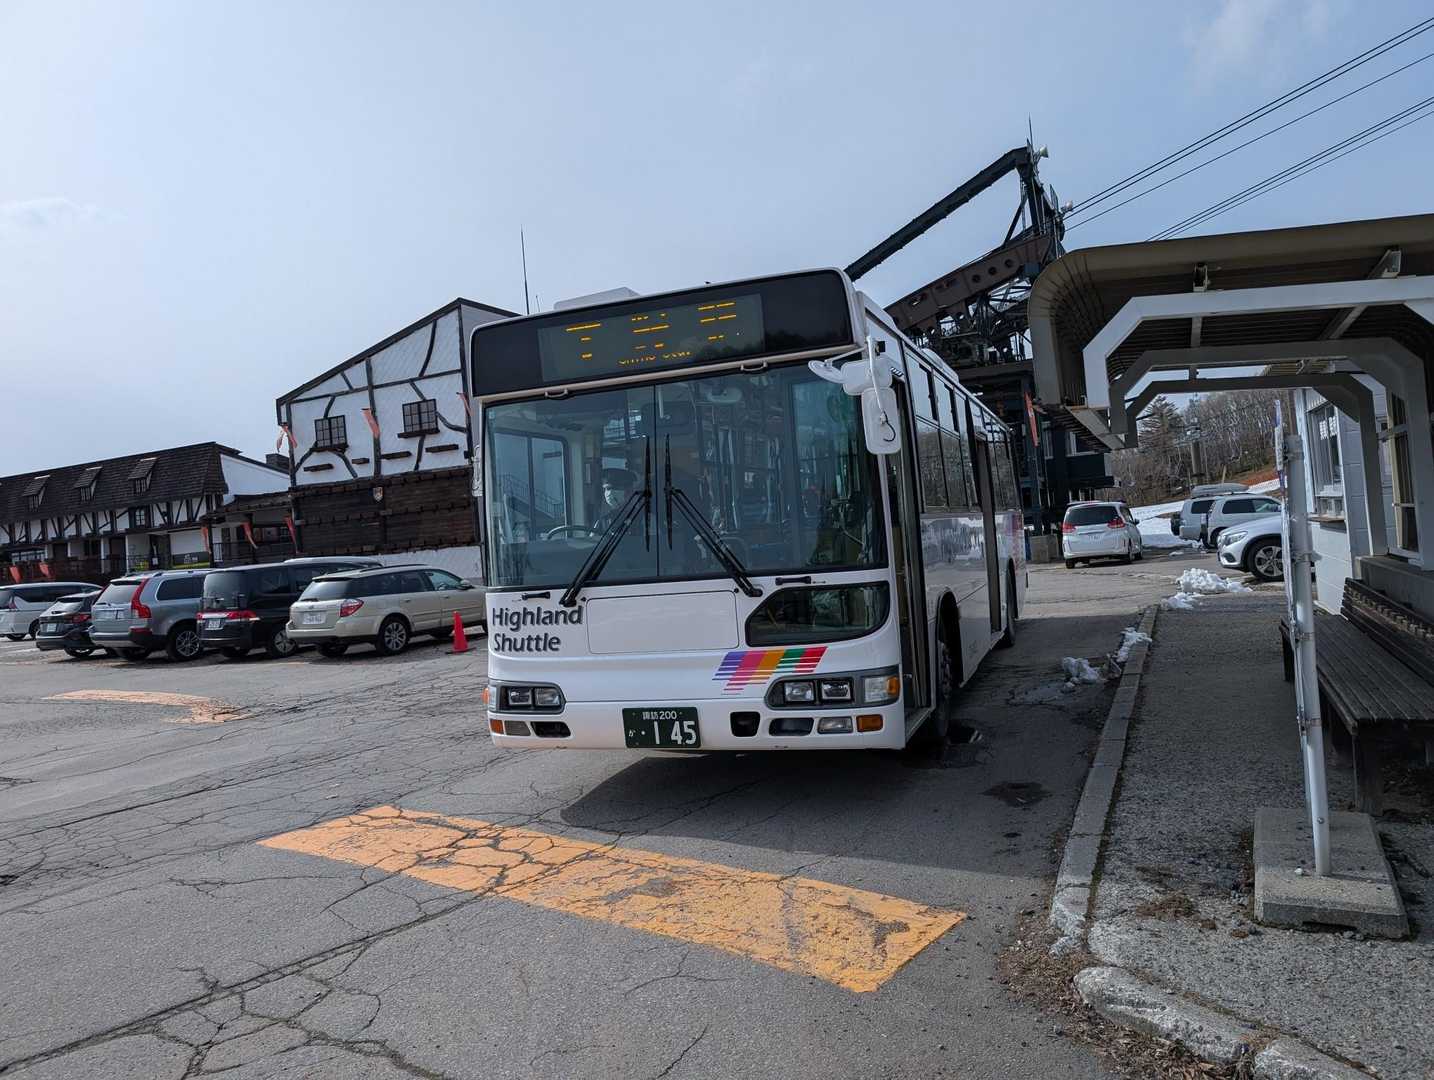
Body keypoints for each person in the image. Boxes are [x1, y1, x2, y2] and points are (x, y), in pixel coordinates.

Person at [593, 467, 638, 532]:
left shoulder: (644, 517)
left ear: (629, 491)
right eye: (606, 489)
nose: (609, 493)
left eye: (612, 488)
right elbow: (593, 538)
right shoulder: (603, 522)